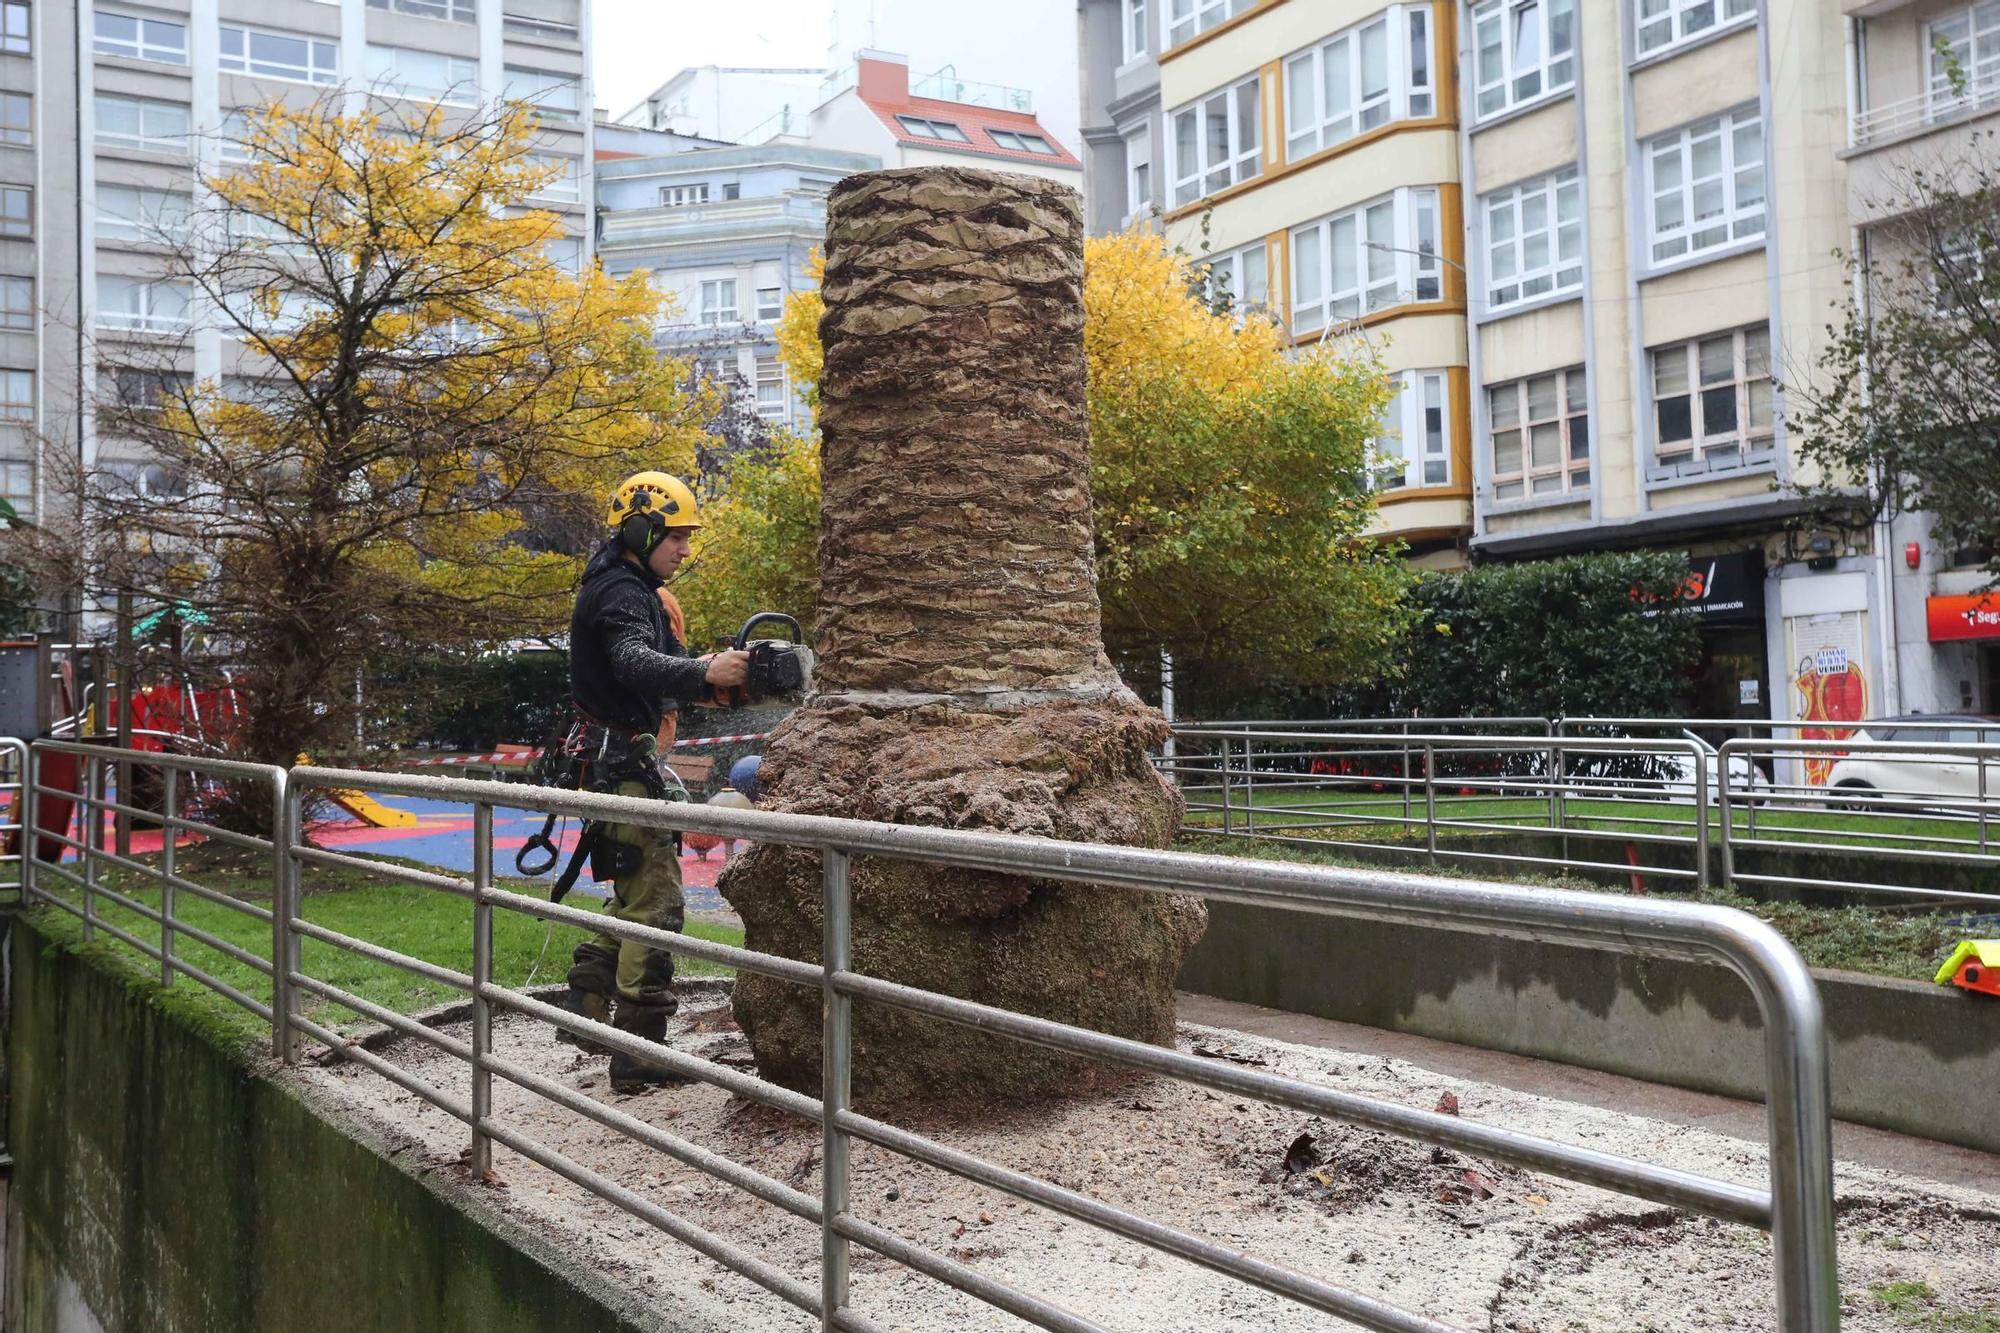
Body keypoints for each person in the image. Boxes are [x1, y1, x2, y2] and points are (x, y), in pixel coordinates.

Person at [559, 471, 748, 1090]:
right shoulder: (622, 589)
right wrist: (701, 671)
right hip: (619, 766)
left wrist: (707, 686)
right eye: (679, 537)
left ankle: (588, 1013)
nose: (686, 550)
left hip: (614, 759)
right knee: (659, 906)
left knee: (630, 895)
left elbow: (636, 677)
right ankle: (640, 1051)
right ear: (643, 529)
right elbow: (633, 662)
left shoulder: (625, 584)